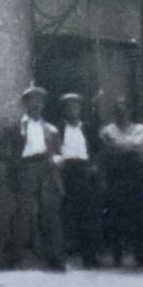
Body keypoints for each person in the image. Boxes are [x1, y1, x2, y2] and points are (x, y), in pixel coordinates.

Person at [0, 85, 66, 271]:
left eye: (40, 101)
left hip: (46, 169)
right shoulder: (15, 126)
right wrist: (12, 161)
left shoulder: (51, 129)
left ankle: (54, 259)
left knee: (49, 214)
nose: (36, 105)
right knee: (23, 214)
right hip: (25, 169)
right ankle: (16, 258)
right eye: (32, 100)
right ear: (25, 104)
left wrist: (57, 160)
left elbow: (59, 151)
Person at [98, 103, 143, 268]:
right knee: (116, 214)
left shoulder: (140, 129)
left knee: (139, 214)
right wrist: (134, 148)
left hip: (138, 177)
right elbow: (108, 149)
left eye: (124, 111)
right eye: (118, 111)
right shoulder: (108, 131)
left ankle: (139, 254)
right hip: (118, 176)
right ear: (114, 114)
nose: (122, 114)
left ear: (129, 112)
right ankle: (117, 255)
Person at [54, 92, 101, 267]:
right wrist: (58, 162)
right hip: (66, 171)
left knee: (88, 215)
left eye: (75, 106)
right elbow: (53, 149)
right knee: (66, 213)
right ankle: (65, 256)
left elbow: (97, 150)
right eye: (68, 106)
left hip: (84, 171)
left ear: (80, 109)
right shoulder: (57, 128)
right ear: (63, 110)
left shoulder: (87, 128)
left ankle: (89, 256)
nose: (72, 110)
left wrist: (93, 165)